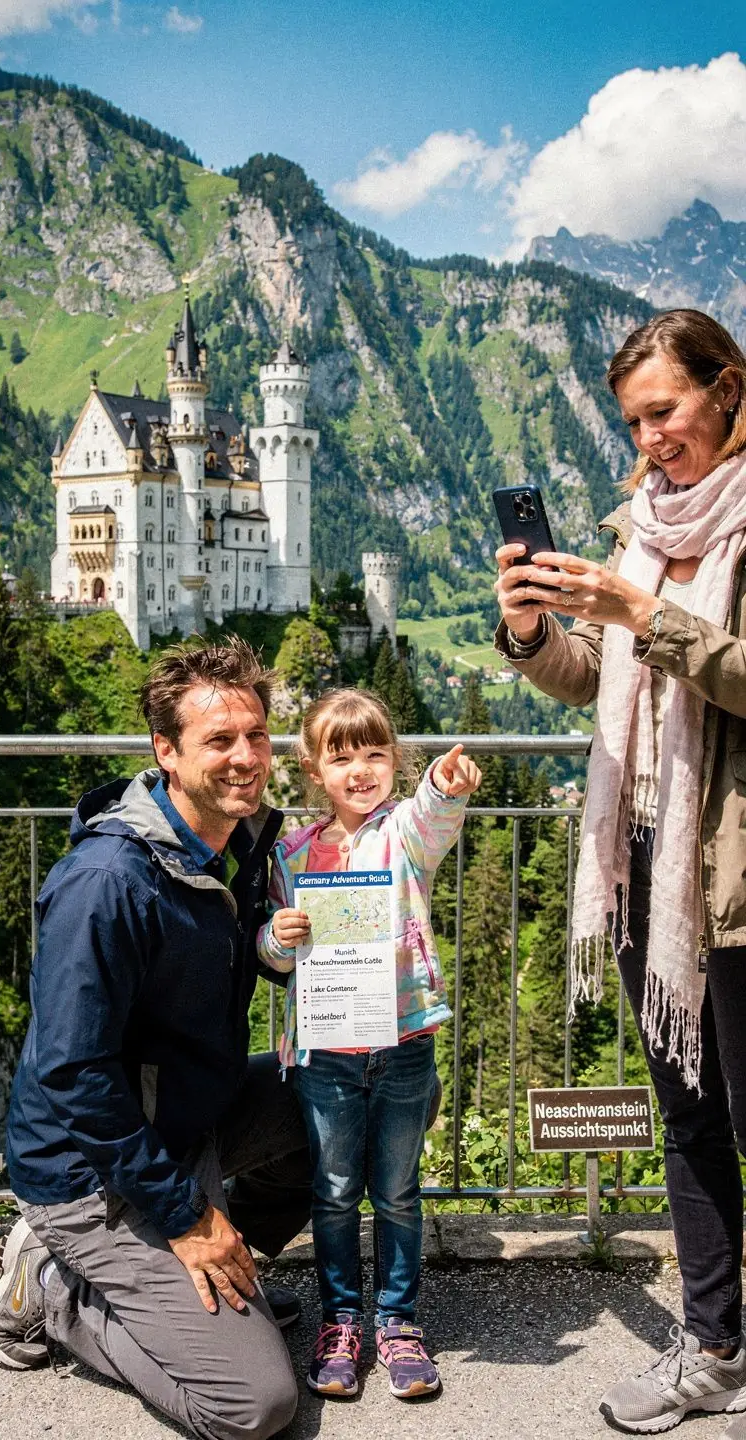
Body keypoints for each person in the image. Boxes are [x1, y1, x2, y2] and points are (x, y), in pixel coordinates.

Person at [493, 308, 746, 1437]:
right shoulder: (640, 524)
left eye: (665, 412)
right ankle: (715, 1347)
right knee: (688, 1113)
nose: (649, 439)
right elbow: (597, 673)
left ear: (727, 390)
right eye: (634, 422)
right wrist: (534, 632)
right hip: (645, 852)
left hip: (734, 864)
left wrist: (650, 614)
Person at [0, 637, 314, 1440]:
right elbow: (73, 1075)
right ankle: (54, 1292)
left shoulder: (232, 842)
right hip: (90, 1170)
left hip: (182, 1123)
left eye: (257, 735)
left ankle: (215, 1290)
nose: (247, 758)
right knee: (255, 1405)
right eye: (219, 740)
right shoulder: (106, 884)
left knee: (349, 1099)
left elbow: (221, 962)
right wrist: (185, 1218)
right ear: (165, 750)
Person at [257, 688, 482, 1401]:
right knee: (332, 1194)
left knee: (397, 1192)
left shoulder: (402, 834)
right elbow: (272, 953)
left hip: (403, 1040)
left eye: (375, 754)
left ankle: (399, 1323)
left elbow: (432, 818)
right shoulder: (292, 853)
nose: (360, 770)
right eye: (341, 757)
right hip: (326, 1050)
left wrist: (445, 786)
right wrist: (277, 939)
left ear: (395, 761)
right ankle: (341, 1322)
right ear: (313, 770)